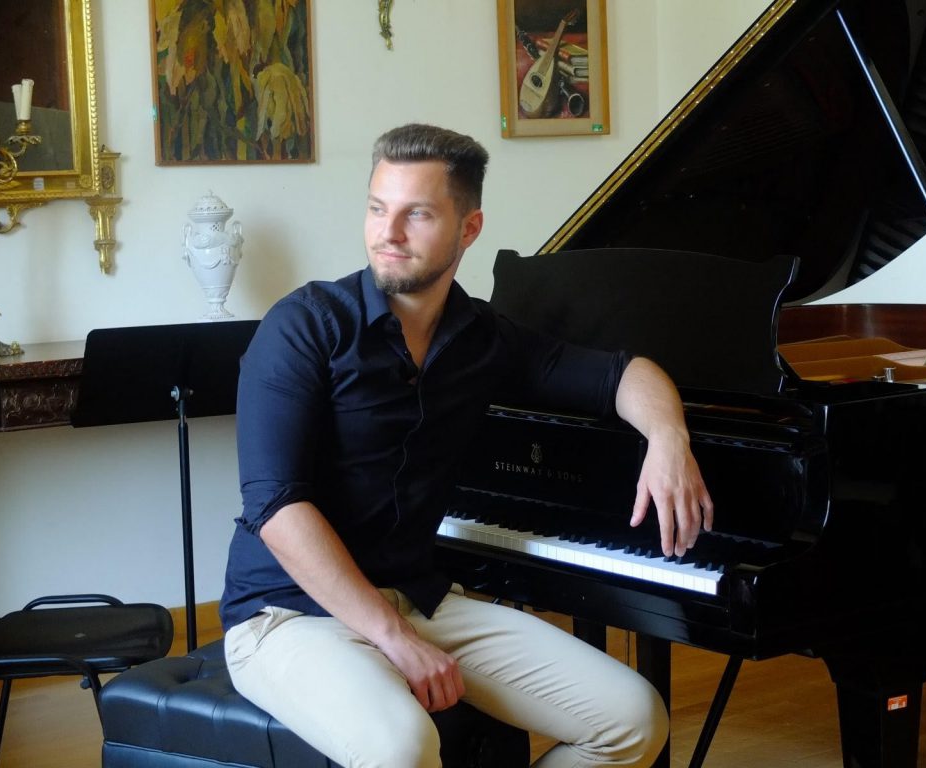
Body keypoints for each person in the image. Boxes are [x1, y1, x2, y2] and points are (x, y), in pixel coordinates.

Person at [220, 123, 714, 768]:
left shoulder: (482, 338)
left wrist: (669, 437)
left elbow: (625, 373)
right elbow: (277, 507)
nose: (388, 232)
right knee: (402, 747)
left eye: (417, 214)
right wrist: (394, 637)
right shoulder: (304, 327)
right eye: (377, 208)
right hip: (284, 615)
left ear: (469, 228)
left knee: (633, 720)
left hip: (418, 599)